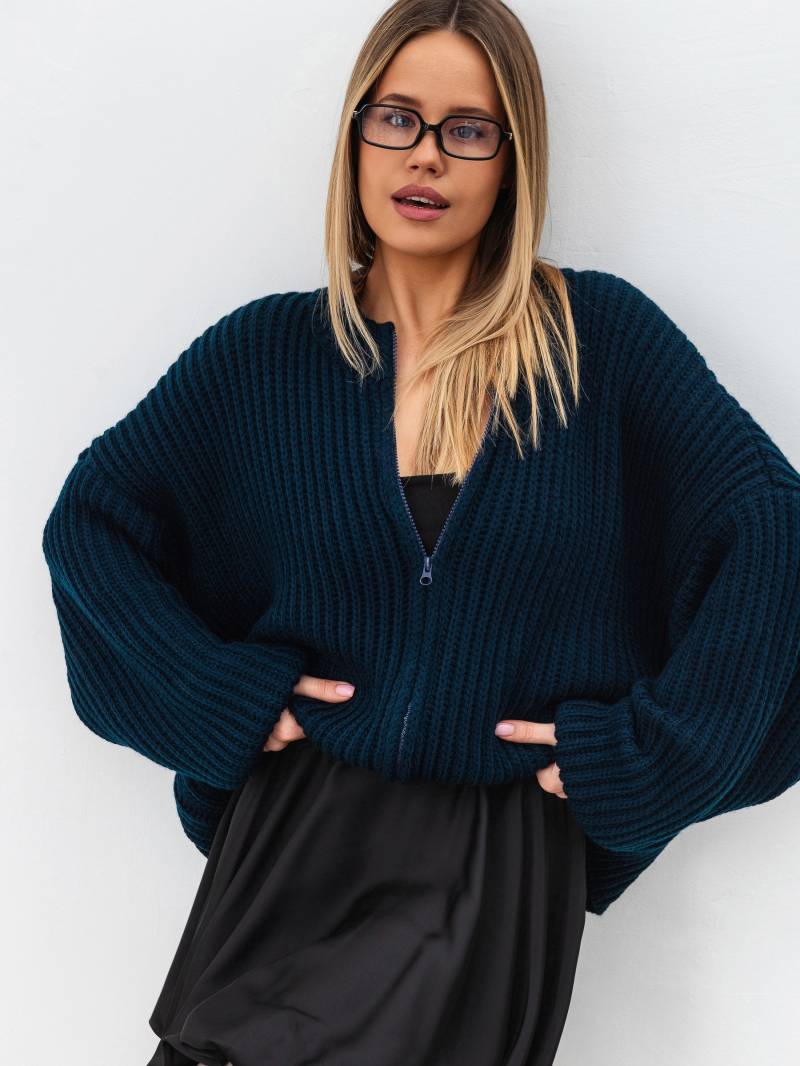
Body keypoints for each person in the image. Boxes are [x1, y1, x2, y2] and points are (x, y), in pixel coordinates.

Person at [41, 2, 800, 1065]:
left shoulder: (597, 346)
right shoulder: (266, 356)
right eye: (396, 117)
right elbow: (93, 526)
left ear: (512, 159)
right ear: (354, 135)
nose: (426, 155)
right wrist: (212, 697)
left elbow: (773, 537)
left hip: (493, 860)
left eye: (468, 129)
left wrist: (647, 759)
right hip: (290, 838)